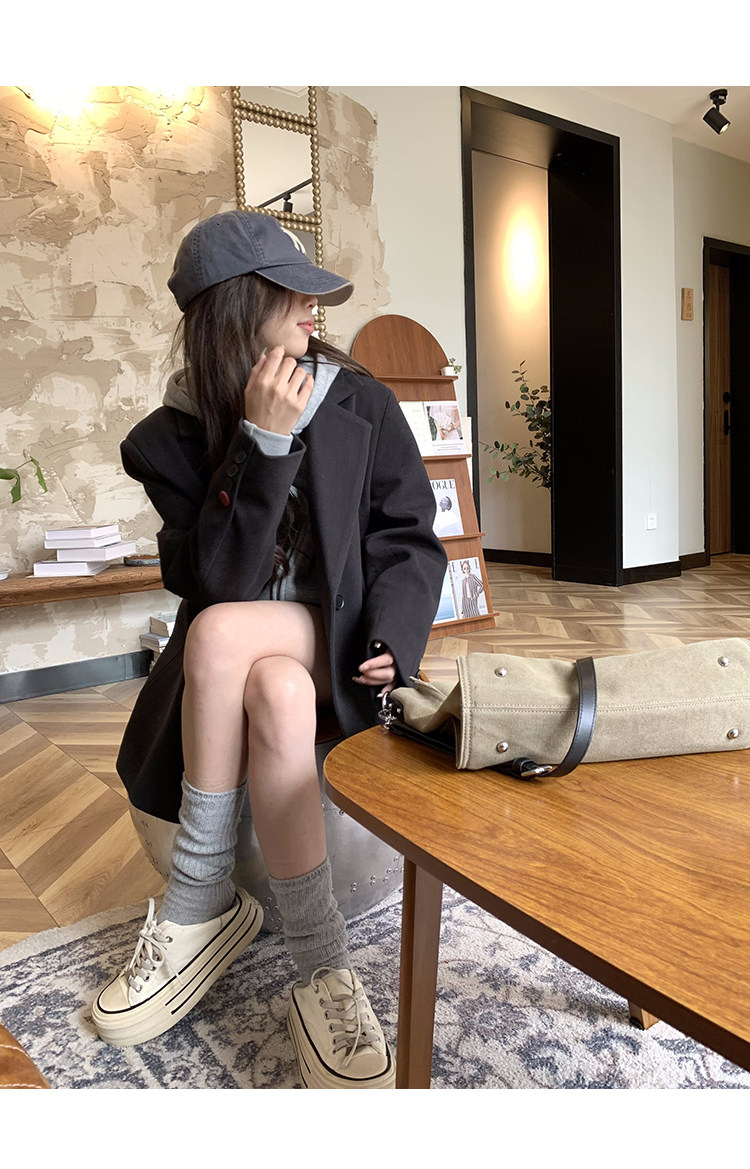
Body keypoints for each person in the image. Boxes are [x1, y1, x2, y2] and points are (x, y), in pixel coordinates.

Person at [91, 210, 447, 1089]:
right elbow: (219, 577)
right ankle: (322, 962)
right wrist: (263, 442)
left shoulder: (360, 399)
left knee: (219, 633)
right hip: (252, 670)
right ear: (238, 309)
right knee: (274, 688)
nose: (311, 308)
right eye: (290, 293)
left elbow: (408, 536)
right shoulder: (171, 437)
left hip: (342, 645)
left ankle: (198, 900)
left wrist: (395, 637)